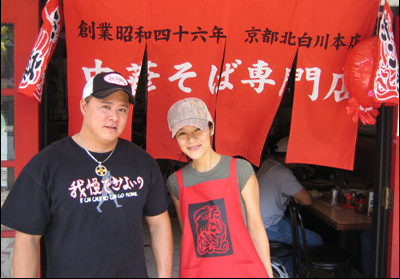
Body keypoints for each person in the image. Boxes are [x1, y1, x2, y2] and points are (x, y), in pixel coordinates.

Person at [1, 71, 173, 278]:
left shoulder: (143, 162)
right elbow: (27, 239)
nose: (114, 116)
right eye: (105, 107)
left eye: (122, 109)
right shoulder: (47, 164)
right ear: (84, 106)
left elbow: (158, 225)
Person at [166, 97, 273, 278]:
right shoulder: (176, 182)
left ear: (211, 128)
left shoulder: (240, 170)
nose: (191, 139)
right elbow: (189, 234)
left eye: (197, 129)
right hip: (200, 272)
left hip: (242, 271)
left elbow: (255, 227)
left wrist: (268, 274)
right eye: (182, 133)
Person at [257, 136, 323, 276]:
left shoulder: (268, 163)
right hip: (269, 226)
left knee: (296, 228)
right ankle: (294, 270)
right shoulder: (283, 173)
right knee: (316, 240)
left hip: (258, 222)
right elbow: (307, 200)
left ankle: (288, 264)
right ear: (289, 156)